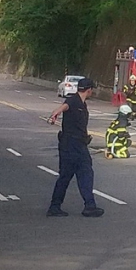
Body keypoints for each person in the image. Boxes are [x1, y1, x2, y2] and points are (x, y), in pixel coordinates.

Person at [46, 77, 104, 218]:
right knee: (83, 173)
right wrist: (55, 114)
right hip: (72, 145)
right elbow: (64, 106)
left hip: (75, 144)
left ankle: (56, 206)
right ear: (89, 90)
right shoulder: (74, 100)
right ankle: (88, 206)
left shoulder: (82, 104)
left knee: (70, 175)